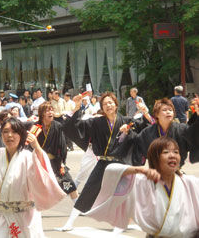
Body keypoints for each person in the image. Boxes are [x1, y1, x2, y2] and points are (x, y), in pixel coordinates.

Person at [58, 92, 152, 231]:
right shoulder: (96, 122)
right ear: (102, 106)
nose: (108, 105)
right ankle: (70, 222)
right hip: (103, 162)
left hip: (121, 163)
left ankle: (124, 222)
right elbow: (73, 126)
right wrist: (77, 106)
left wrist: (145, 113)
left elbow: (146, 128)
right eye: (105, 103)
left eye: (111, 102)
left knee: (125, 193)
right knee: (89, 190)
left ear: (116, 104)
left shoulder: (127, 120)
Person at [86, 137, 199, 237]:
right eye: (166, 152)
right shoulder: (142, 181)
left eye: (176, 152)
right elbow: (111, 170)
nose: (172, 155)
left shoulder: (189, 182)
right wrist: (139, 169)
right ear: (155, 158)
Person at [122, 97, 199, 167]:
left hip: (176, 171)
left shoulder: (181, 129)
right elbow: (137, 143)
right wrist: (127, 134)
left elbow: (194, 135)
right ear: (156, 114)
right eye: (164, 110)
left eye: (170, 110)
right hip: (156, 172)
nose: (168, 112)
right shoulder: (148, 132)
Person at [32, 102, 78, 200]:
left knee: (68, 182)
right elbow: (29, 144)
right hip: (40, 163)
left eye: (51, 110)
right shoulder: (36, 127)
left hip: (55, 161)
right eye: (48, 110)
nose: (51, 112)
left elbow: (62, 145)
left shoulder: (57, 126)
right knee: (34, 187)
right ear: (42, 113)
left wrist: (62, 163)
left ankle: (78, 207)